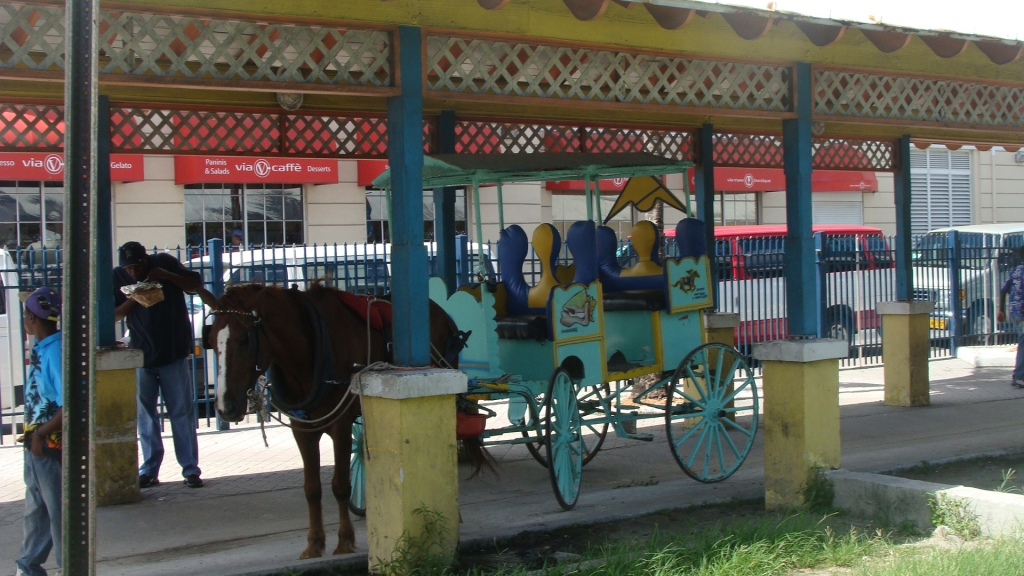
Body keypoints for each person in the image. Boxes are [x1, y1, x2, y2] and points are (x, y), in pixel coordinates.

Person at [114, 241, 204, 488]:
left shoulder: (163, 263)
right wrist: (137, 294)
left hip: (173, 352)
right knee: (146, 416)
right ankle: (149, 469)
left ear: (146, 260)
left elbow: (194, 285)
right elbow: (116, 314)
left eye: (137, 265)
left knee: (181, 413)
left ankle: (190, 469)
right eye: (129, 267)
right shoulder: (119, 275)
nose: (133, 271)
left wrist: (165, 276)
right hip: (142, 355)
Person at [15, 287, 63, 576]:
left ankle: (68, 563)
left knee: (55, 511)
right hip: (36, 443)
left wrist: (42, 434)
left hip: (48, 445)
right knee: (37, 507)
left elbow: (69, 406)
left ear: (31, 317)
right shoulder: (44, 348)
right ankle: (29, 566)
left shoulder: (55, 352)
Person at [998, 245, 1024, 388]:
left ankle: (1019, 375)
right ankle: (1019, 376)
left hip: (1015, 312)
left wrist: (1001, 309)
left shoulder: (1016, 271)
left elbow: (1003, 290)